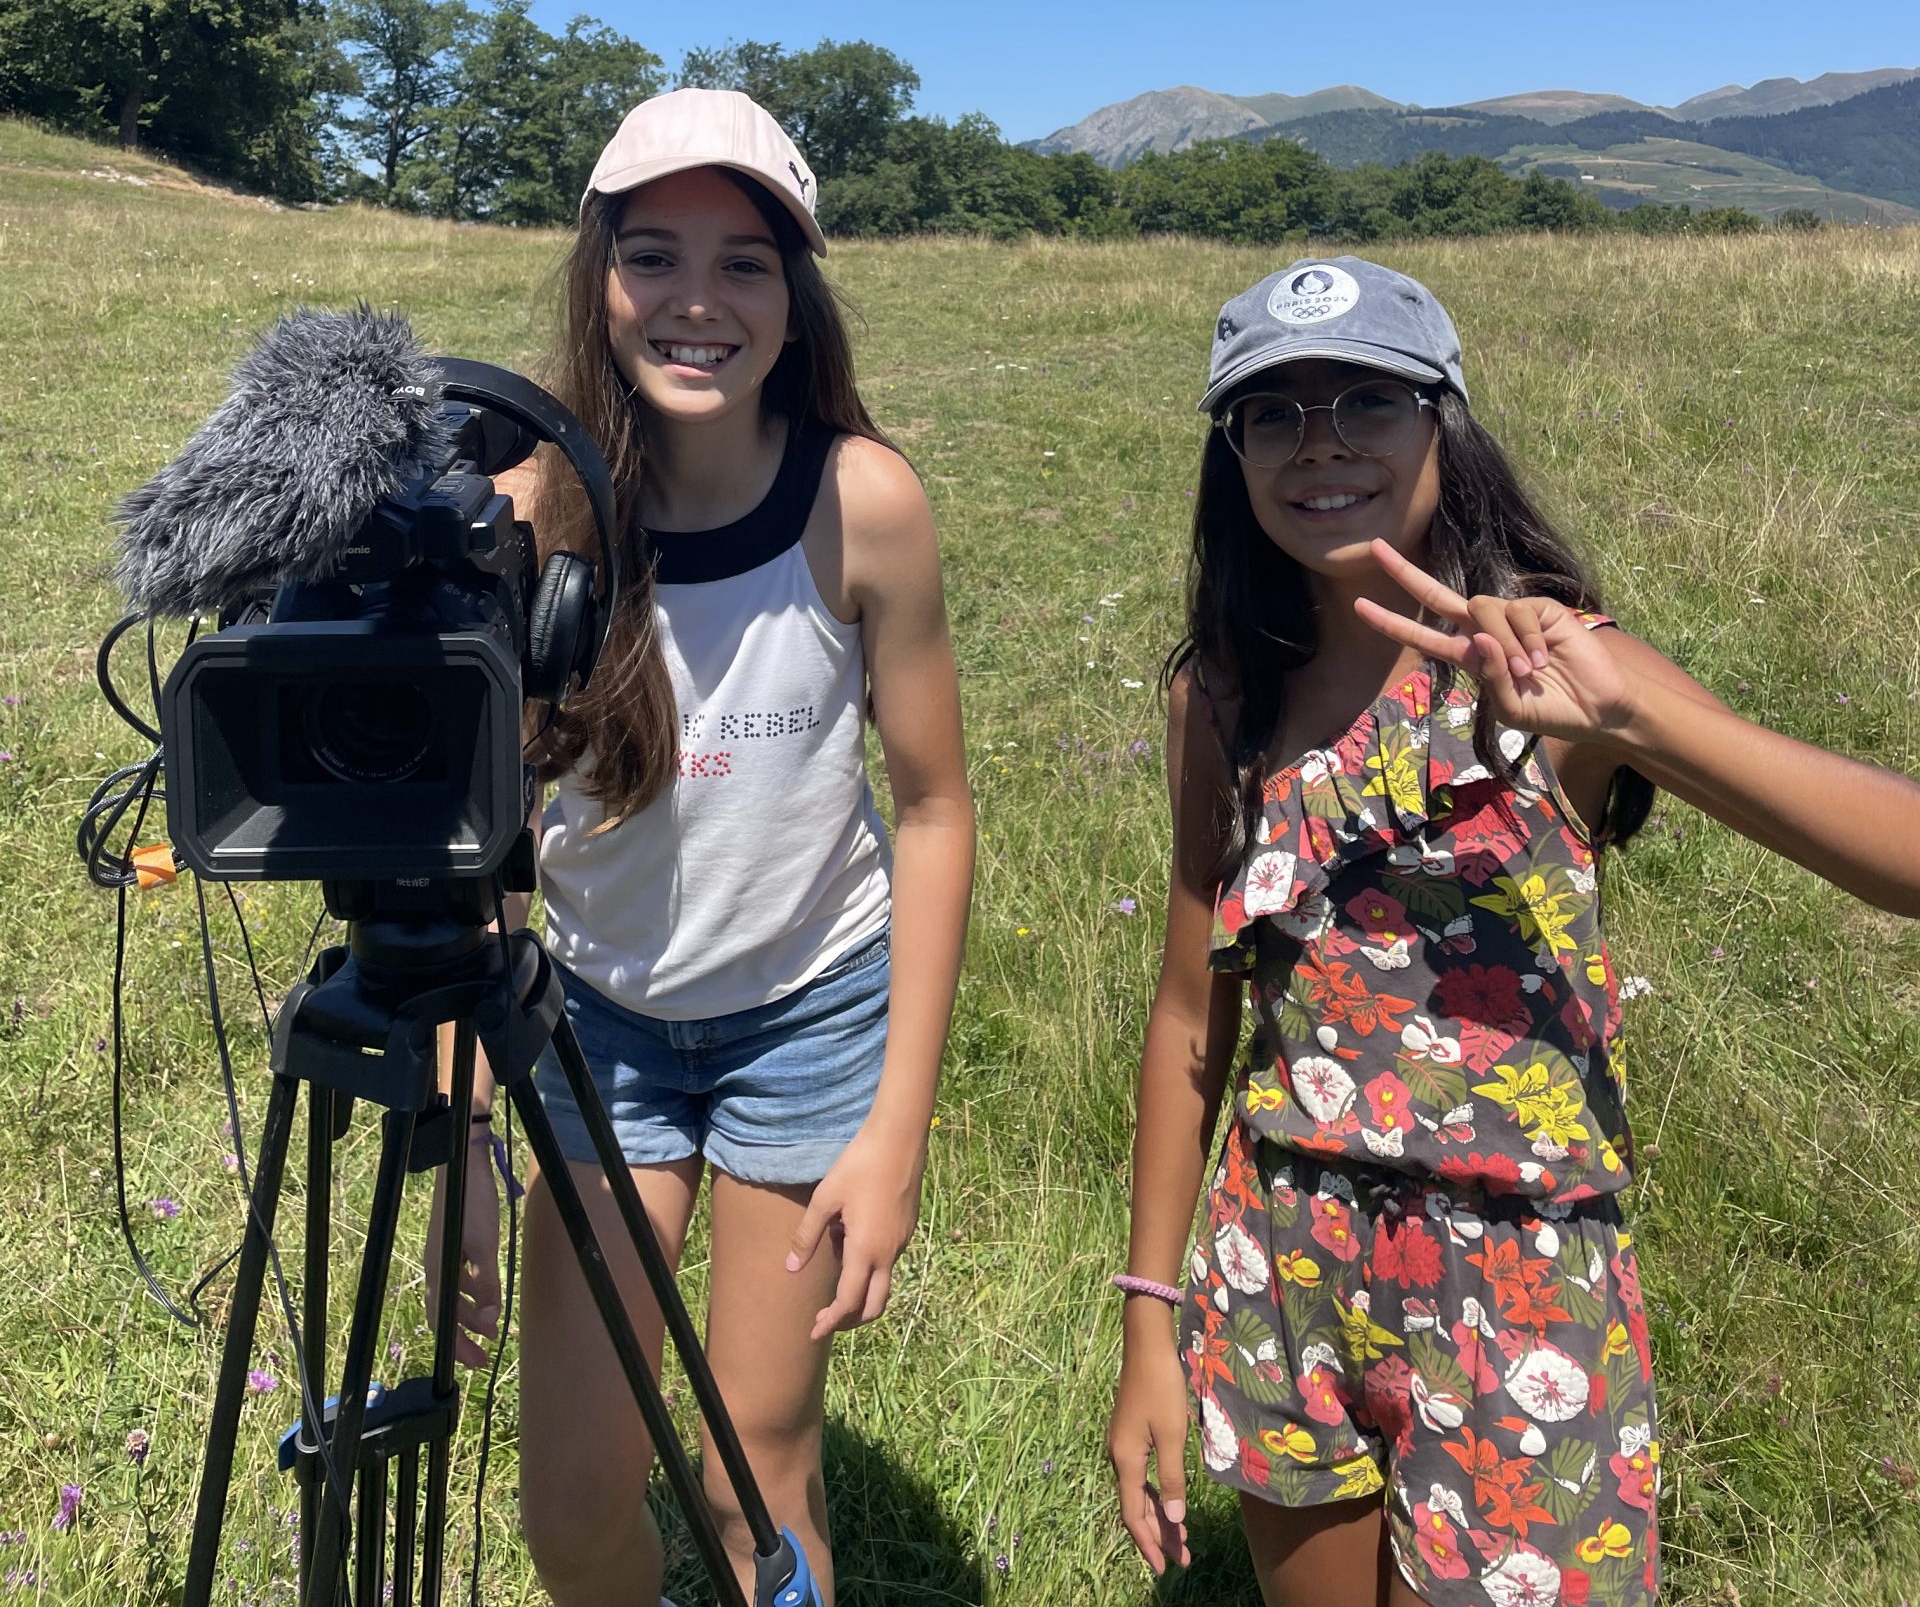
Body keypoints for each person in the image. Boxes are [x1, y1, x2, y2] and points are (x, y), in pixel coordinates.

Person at [1107, 257, 1920, 1607]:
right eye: (1275, 414)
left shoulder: (1556, 672)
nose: (1322, 447)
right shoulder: (1224, 693)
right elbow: (1193, 1012)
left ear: (1446, 423)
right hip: (1279, 1255)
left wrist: (1631, 717)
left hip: (1521, 1277)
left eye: (1369, 400)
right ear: (1232, 451)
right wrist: (1150, 1316)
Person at [429, 89, 974, 1607]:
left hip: (808, 1021)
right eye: (652, 254)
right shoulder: (531, 515)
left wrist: (895, 1131)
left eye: (746, 264)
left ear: (796, 302)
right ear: (597, 279)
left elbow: (931, 811)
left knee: (758, 1476)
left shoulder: (862, 507)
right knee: (574, 1505)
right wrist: (462, 1140)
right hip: (597, 1026)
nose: (695, 301)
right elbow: (475, 847)